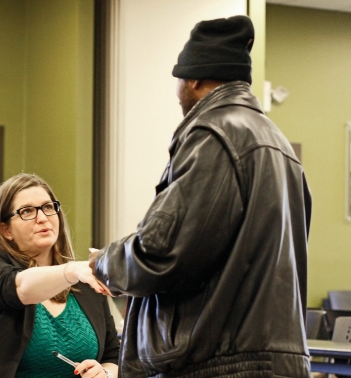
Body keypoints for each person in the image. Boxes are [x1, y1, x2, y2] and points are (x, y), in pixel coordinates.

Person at [89, 15, 312, 377]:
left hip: (219, 363)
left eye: (178, 79)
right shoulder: (279, 143)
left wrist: (104, 263)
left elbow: (161, 254)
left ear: (193, 78)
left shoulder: (212, 134)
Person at [0, 173, 119, 378]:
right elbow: (21, 287)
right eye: (27, 211)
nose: (42, 218)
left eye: (48, 207)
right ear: (6, 230)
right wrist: (71, 270)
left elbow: (113, 354)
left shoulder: (83, 282)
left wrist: (105, 373)